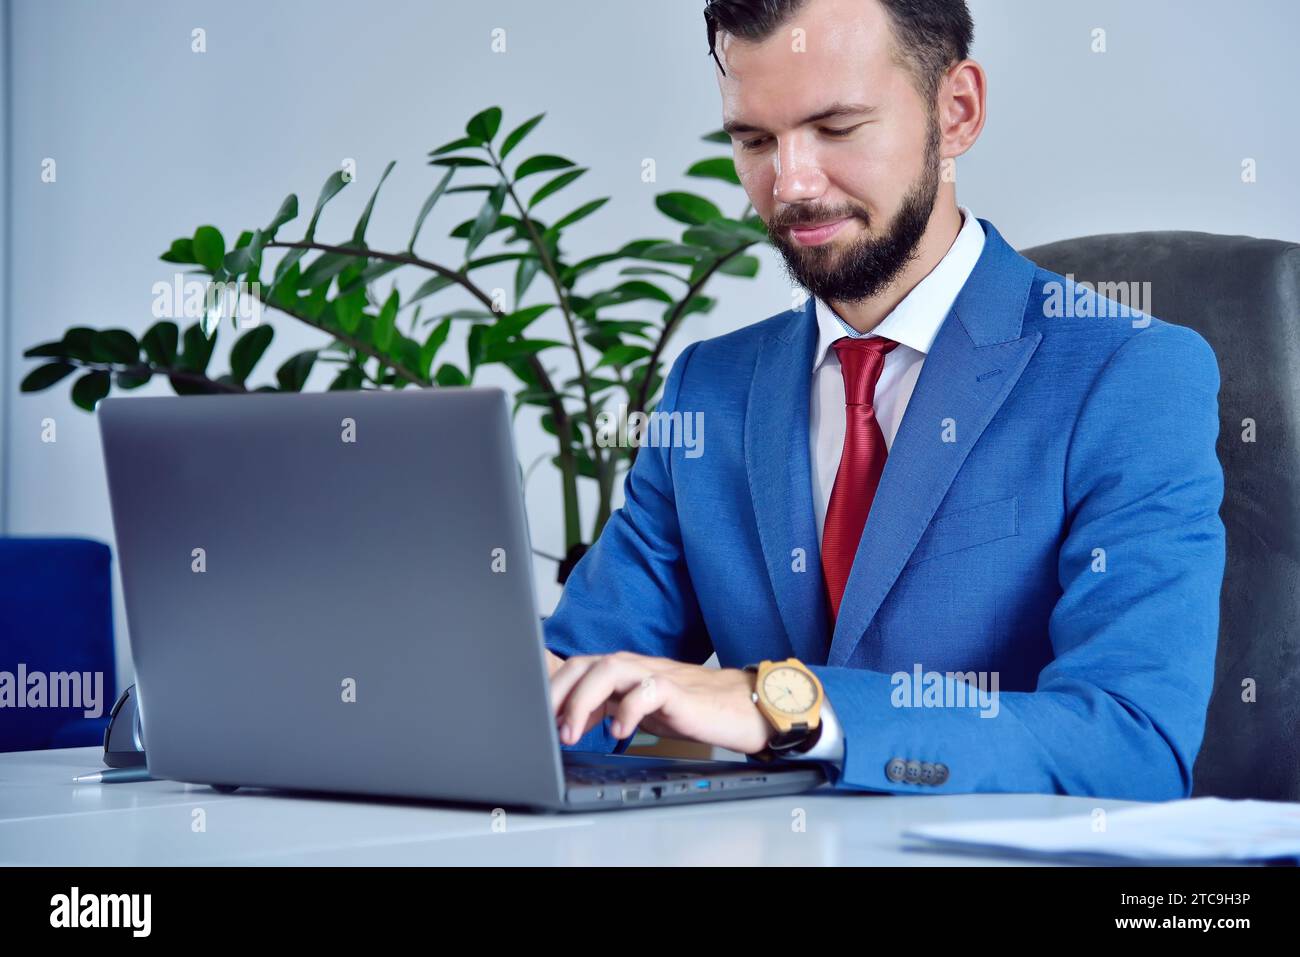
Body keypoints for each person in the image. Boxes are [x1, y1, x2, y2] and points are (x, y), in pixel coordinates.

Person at [543, 0, 1225, 799]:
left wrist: (778, 705)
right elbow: (568, 692)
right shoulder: (711, 388)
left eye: (836, 128)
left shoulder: (1132, 375)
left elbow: (1131, 745)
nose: (790, 183)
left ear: (957, 111)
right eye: (754, 140)